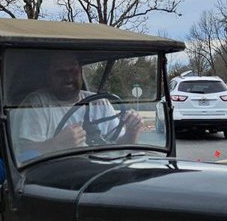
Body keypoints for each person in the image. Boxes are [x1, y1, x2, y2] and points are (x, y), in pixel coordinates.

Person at [14, 52, 143, 156]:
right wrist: (56, 145)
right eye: (61, 72)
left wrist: (132, 131)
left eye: (73, 71)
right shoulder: (38, 103)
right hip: (57, 178)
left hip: (104, 172)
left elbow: (121, 148)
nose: (69, 78)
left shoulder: (100, 102)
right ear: (48, 76)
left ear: (81, 73)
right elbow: (24, 154)